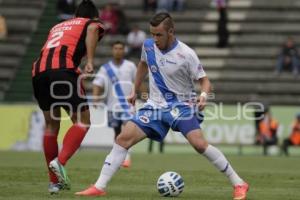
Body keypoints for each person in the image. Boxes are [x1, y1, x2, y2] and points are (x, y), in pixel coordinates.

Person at [76, 12, 249, 200]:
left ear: (171, 32)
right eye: (152, 34)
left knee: (199, 145)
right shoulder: (148, 46)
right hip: (155, 106)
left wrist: (204, 96)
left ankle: (239, 183)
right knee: (123, 138)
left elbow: (205, 80)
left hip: (180, 105)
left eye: (159, 35)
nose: (154, 39)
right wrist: (135, 90)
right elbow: (142, 65)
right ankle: (99, 186)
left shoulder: (186, 53)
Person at [31, 0, 105, 194]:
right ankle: (60, 161)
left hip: (39, 71)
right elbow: (92, 30)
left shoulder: (57, 26)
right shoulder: (90, 23)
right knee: (83, 121)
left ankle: (54, 183)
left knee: (51, 125)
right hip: (62, 71)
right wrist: (90, 61)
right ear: (93, 16)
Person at [92, 41, 137, 167]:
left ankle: (127, 157)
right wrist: (95, 97)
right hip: (112, 105)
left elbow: (137, 81)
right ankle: (118, 156)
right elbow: (97, 83)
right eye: (116, 48)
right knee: (116, 132)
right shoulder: (105, 68)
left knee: (128, 131)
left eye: (120, 48)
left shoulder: (130, 66)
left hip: (128, 105)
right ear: (112, 50)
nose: (118, 51)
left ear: (124, 50)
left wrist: (144, 96)